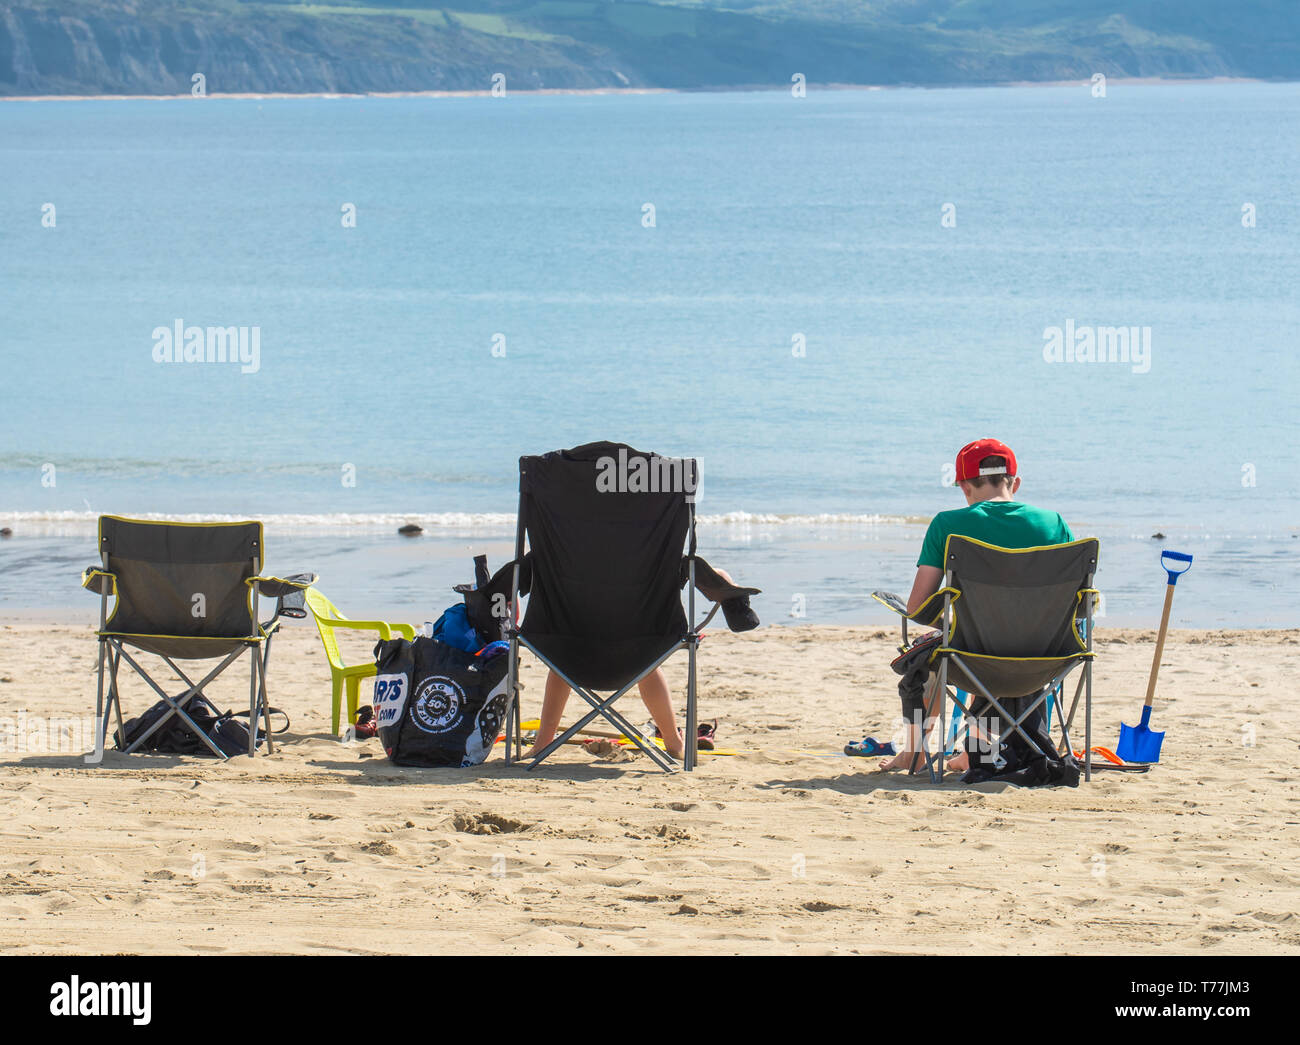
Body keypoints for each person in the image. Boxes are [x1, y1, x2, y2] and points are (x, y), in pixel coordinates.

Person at [877, 438, 1074, 774]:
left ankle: (914, 753)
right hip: (1045, 658)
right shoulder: (1054, 523)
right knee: (980, 641)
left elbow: (917, 607)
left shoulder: (947, 525)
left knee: (936, 653)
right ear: (1016, 482)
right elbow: (1074, 603)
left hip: (972, 658)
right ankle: (974, 753)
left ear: (964, 486)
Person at [520, 565, 741, 762]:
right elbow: (686, 564)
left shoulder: (562, 529)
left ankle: (543, 742)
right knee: (648, 666)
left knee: (558, 660)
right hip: (641, 648)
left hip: (570, 647)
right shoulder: (656, 528)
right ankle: (674, 744)